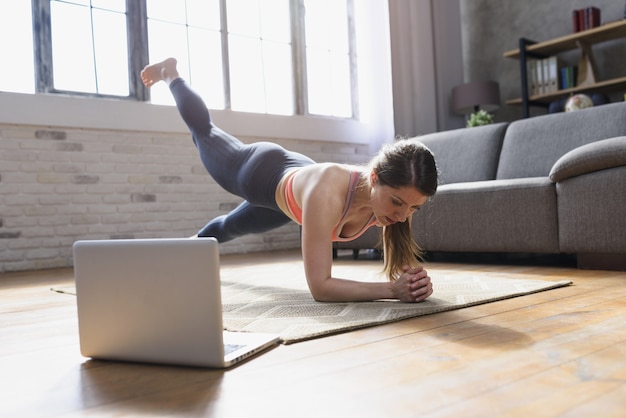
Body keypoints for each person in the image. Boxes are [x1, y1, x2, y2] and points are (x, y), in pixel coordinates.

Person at [141, 58, 438, 303]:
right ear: (375, 178)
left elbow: (403, 271)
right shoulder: (327, 195)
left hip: (292, 195)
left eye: (414, 209)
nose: (402, 216)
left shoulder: (400, 200)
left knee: (229, 227)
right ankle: (171, 74)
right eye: (398, 203)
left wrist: (414, 283)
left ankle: (185, 249)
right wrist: (391, 291)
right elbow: (320, 288)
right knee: (203, 132)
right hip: (259, 172)